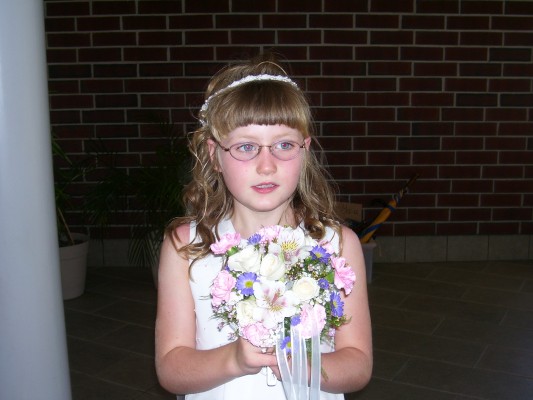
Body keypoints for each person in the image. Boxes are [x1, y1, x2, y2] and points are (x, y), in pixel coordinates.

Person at [155, 53, 372, 400]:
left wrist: (298, 364)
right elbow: (170, 368)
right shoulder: (185, 246)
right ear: (215, 155)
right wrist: (236, 359)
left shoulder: (338, 244)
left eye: (284, 145)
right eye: (246, 147)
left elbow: (358, 364)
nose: (266, 166)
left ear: (305, 151)